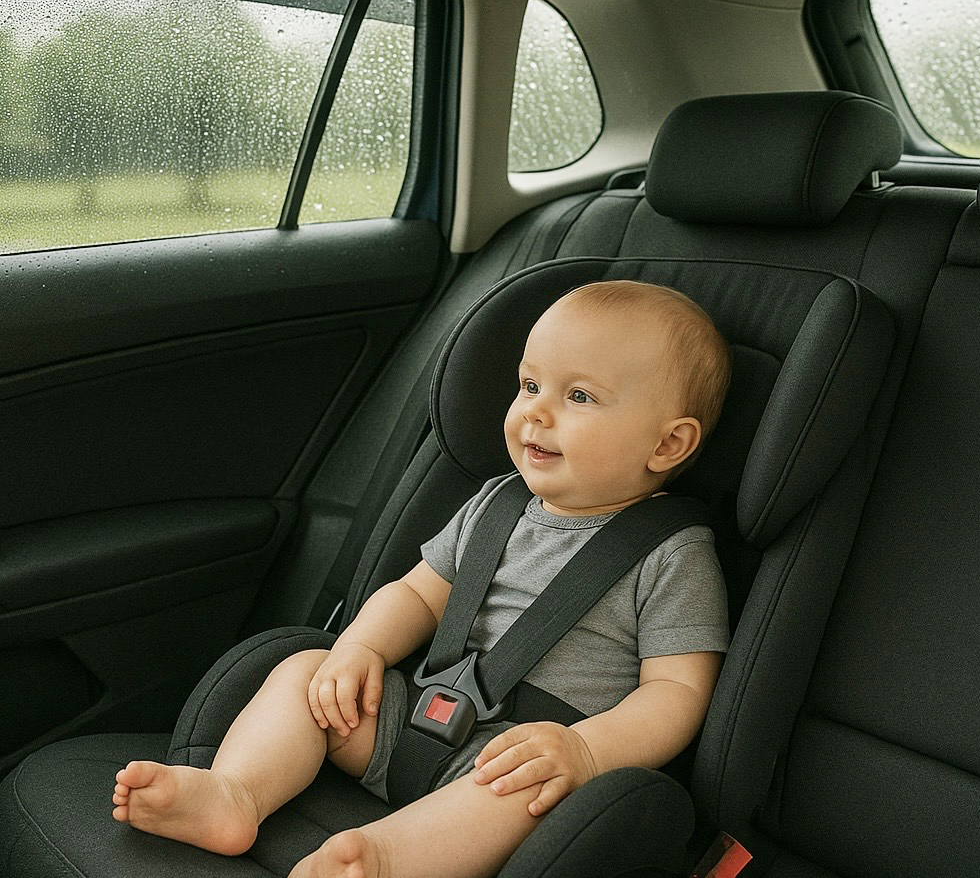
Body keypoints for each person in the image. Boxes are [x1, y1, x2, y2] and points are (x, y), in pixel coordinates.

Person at [111, 279, 733, 878]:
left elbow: (677, 694)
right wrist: (360, 650)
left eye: (579, 397)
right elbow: (414, 593)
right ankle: (235, 795)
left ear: (668, 445)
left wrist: (586, 753)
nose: (535, 413)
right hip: (419, 716)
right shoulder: (494, 505)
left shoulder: (672, 554)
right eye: (530, 384)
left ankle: (381, 860)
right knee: (307, 672)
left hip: (525, 759)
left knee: (519, 798)